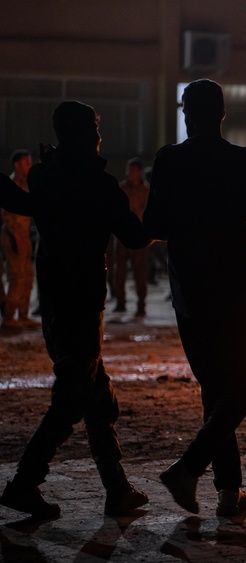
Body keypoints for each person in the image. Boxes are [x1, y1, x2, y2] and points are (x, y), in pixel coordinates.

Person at [145, 79, 246, 517]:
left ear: (186, 114)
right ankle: (190, 469)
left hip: (189, 291)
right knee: (241, 390)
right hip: (234, 291)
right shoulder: (245, 162)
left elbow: (153, 226)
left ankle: (229, 492)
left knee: (216, 391)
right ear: (223, 113)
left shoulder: (169, 161)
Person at [0, 101, 149, 519]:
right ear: (85, 134)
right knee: (71, 398)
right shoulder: (102, 186)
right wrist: (168, 213)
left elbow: (23, 200)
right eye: (96, 127)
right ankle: (24, 484)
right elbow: (135, 237)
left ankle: (117, 489)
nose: (100, 135)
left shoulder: (45, 176)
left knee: (96, 396)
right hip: (84, 299)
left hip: (53, 299)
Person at [2, 149, 38, 329]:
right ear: (17, 165)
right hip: (13, 236)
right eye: (26, 163)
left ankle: (23, 315)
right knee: (16, 276)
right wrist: (17, 237)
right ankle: (9, 317)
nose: (29, 166)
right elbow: (8, 217)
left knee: (28, 276)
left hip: (24, 235)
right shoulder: (11, 184)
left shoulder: (26, 184)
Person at [112, 158, 149, 316]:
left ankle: (141, 305)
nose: (131, 174)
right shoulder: (120, 189)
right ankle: (121, 303)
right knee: (119, 273)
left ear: (140, 172)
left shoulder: (147, 191)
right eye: (129, 170)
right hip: (121, 239)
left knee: (140, 272)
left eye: (134, 170)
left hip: (139, 238)